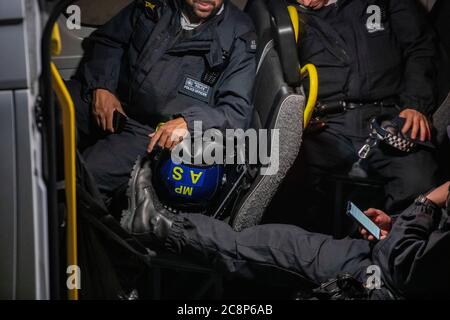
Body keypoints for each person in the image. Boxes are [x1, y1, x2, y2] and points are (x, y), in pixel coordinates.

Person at [121, 144, 450, 299]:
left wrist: (422, 204)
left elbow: (405, 269)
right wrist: (398, 223)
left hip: (392, 285)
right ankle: (156, 223)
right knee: (273, 242)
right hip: (394, 255)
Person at [68, 0, 256, 199]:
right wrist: (102, 85)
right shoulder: (157, 4)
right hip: (114, 97)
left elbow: (236, 112)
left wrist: (188, 122)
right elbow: (109, 41)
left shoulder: (238, 34)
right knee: (45, 108)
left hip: (152, 133)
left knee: (82, 177)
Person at [288, 0, 441, 220]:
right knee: (283, 180)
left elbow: (420, 48)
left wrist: (416, 106)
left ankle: (394, 246)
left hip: (387, 116)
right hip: (324, 124)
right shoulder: (281, 11)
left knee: (419, 182)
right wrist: (296, 118)